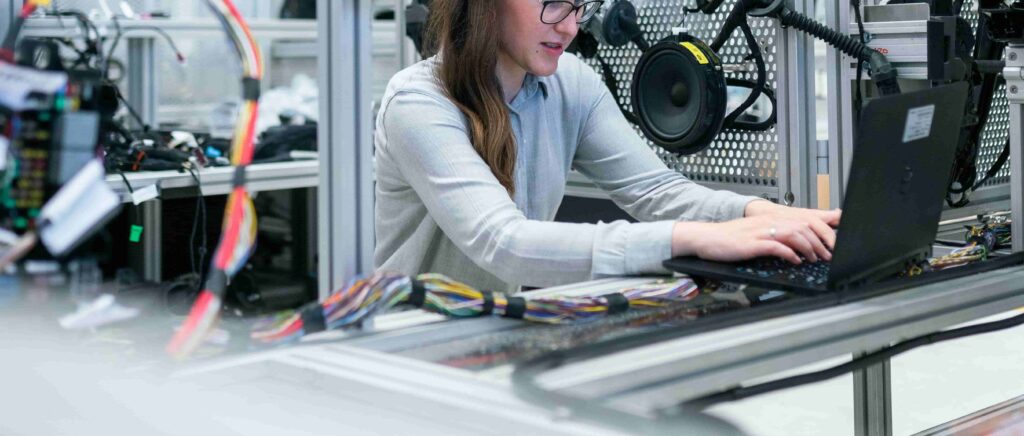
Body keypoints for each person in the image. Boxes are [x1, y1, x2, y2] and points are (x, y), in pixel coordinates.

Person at [373, 0, 841, 293]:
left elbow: (657, 191)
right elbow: (505, 243)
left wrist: (764, 215)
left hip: (494, 328)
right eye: (553, 3)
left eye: (579, 5)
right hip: (413, 342)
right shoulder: (419, 102)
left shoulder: (571, 84)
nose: (571, 26)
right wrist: (693, 239)